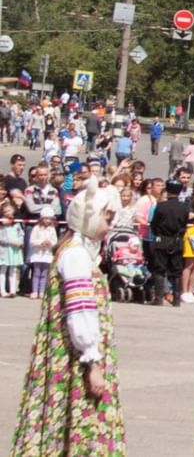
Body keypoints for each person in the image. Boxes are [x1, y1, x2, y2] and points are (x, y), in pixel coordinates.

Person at [10, 179, 124, 457]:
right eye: (106, 220)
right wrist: (92, 361)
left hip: (75, 355)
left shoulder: (78, 251)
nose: (109, 227)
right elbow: (80, 310)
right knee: (83, 418)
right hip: (75, 359)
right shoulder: (76, 257)